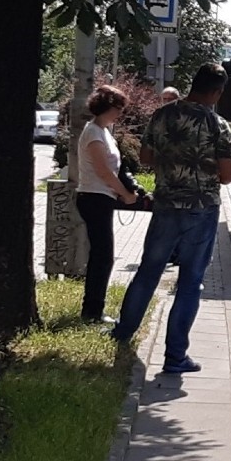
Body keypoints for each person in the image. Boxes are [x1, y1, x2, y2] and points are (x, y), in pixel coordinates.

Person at [110, 63, 231, 374]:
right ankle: (175, 356)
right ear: (218, 92)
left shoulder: (162, 115)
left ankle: (122, 333)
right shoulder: (216, 124)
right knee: (191, 282)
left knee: (148, 271)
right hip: (201, 208)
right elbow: (228, 175)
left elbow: (146, 157)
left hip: (165, 205)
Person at [76, 86, 138, 323]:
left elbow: (116, 168)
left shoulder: (104, 131)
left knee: (102, 256)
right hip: (94, 197)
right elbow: (103, 171)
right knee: (102, 257)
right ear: (106, 107)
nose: (120, 114)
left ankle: (93, 309)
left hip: (101, 198)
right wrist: (124, 194)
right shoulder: (93, 133)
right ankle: (92, 311)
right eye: (117, 109)